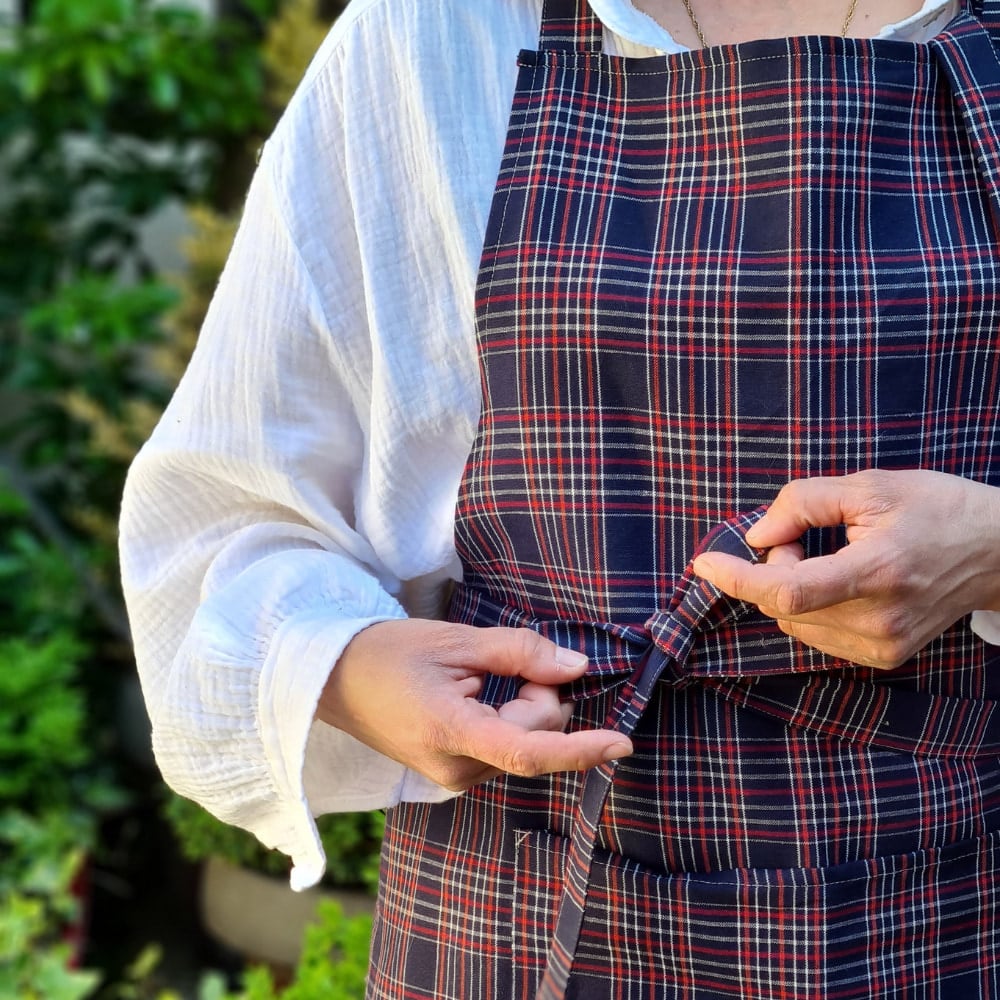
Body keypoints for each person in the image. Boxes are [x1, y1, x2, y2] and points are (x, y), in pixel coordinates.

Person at [119, 0, 1000, 995]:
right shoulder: (440, 29)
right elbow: (224, 502)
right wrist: (352, 666)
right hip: (510, 895)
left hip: (950, 900)